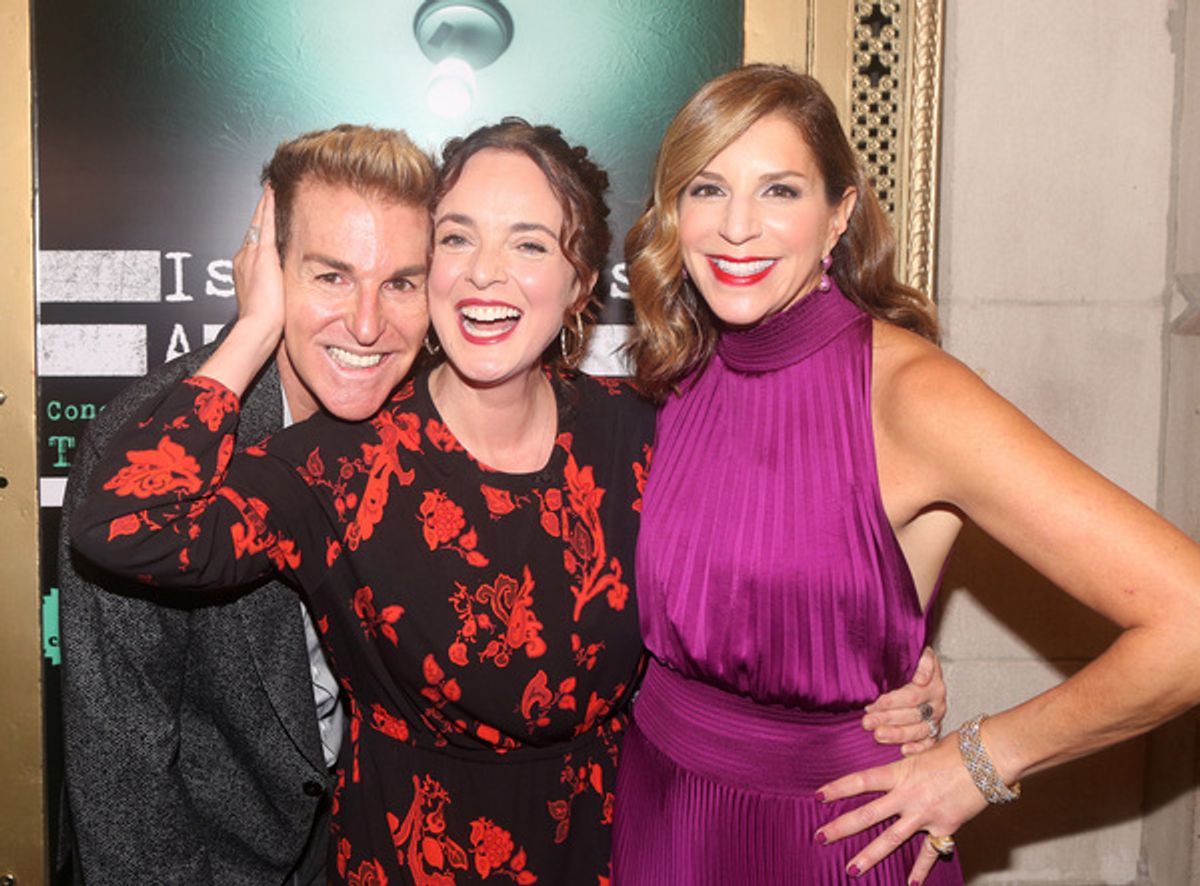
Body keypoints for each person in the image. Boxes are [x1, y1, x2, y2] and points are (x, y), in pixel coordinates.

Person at [70, 115, 948, 884]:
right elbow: (123, 529)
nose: (486, 274)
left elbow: (784, 560)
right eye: (456, 239)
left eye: (529, 244)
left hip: (625, 851)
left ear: (578, 285)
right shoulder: (340, 459)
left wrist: (884, 660)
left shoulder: (644, 430)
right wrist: (256, 323)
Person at [613, 61, 1200, 885]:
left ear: (838, 214)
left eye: (780, 191)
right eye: (707, 190)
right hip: (664, 813)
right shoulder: (681, 368)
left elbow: (1189, 622)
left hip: (829, 835)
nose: (736, 227)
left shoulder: (913, 395)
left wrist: (979, 760)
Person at [59, 123, 436, 886]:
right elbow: (122, 772)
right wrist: (255, 329)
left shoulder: (431, 432)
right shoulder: (144, 458)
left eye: (400, 282)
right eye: (330, 276)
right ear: (267, 268)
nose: (368, 324)